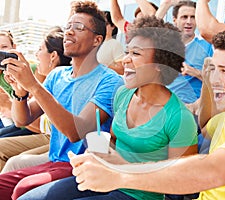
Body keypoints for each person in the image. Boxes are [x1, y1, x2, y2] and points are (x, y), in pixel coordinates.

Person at [62, 28, 225, 199]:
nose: (216, 78)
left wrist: (119, 175)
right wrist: (208, 82)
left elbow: (210, 171)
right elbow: (205, 124)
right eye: (213, 69)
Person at [18, 15, 198, 200]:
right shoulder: (123, 95)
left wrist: (122, 167)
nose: (125, 60)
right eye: (127, 52)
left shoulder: (180, 118)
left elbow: (183, 184)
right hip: (105, 181)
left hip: (138, 195)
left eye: (135, 54)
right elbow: (112, 140)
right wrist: (96, 150)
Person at [0, 1, 123, 199]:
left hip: (83, 165)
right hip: (54, 161)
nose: (69, 32)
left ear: (97, 40)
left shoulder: (109, 81)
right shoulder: (58, 75)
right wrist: (19, 93)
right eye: (68, 27)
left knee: (23, 189)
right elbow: (22, 120)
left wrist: (33, 86)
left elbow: (76, 132)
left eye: (79, 28)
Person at [0, 26, 72, 173]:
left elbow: (38, 124)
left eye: (40, 49)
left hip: (53, 138)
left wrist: (12, 101)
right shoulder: (53, 78)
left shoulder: (35, 71)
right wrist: (19, 93)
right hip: (44, 133)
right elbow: (22, 119)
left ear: (53, 56)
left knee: (12, 159)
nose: (36, 54)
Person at [97, 11, 125, 75]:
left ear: (113, 26)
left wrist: (102, 67)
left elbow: (122, 70)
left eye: (105, 24)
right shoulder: (94, 44)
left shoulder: (114, 44)